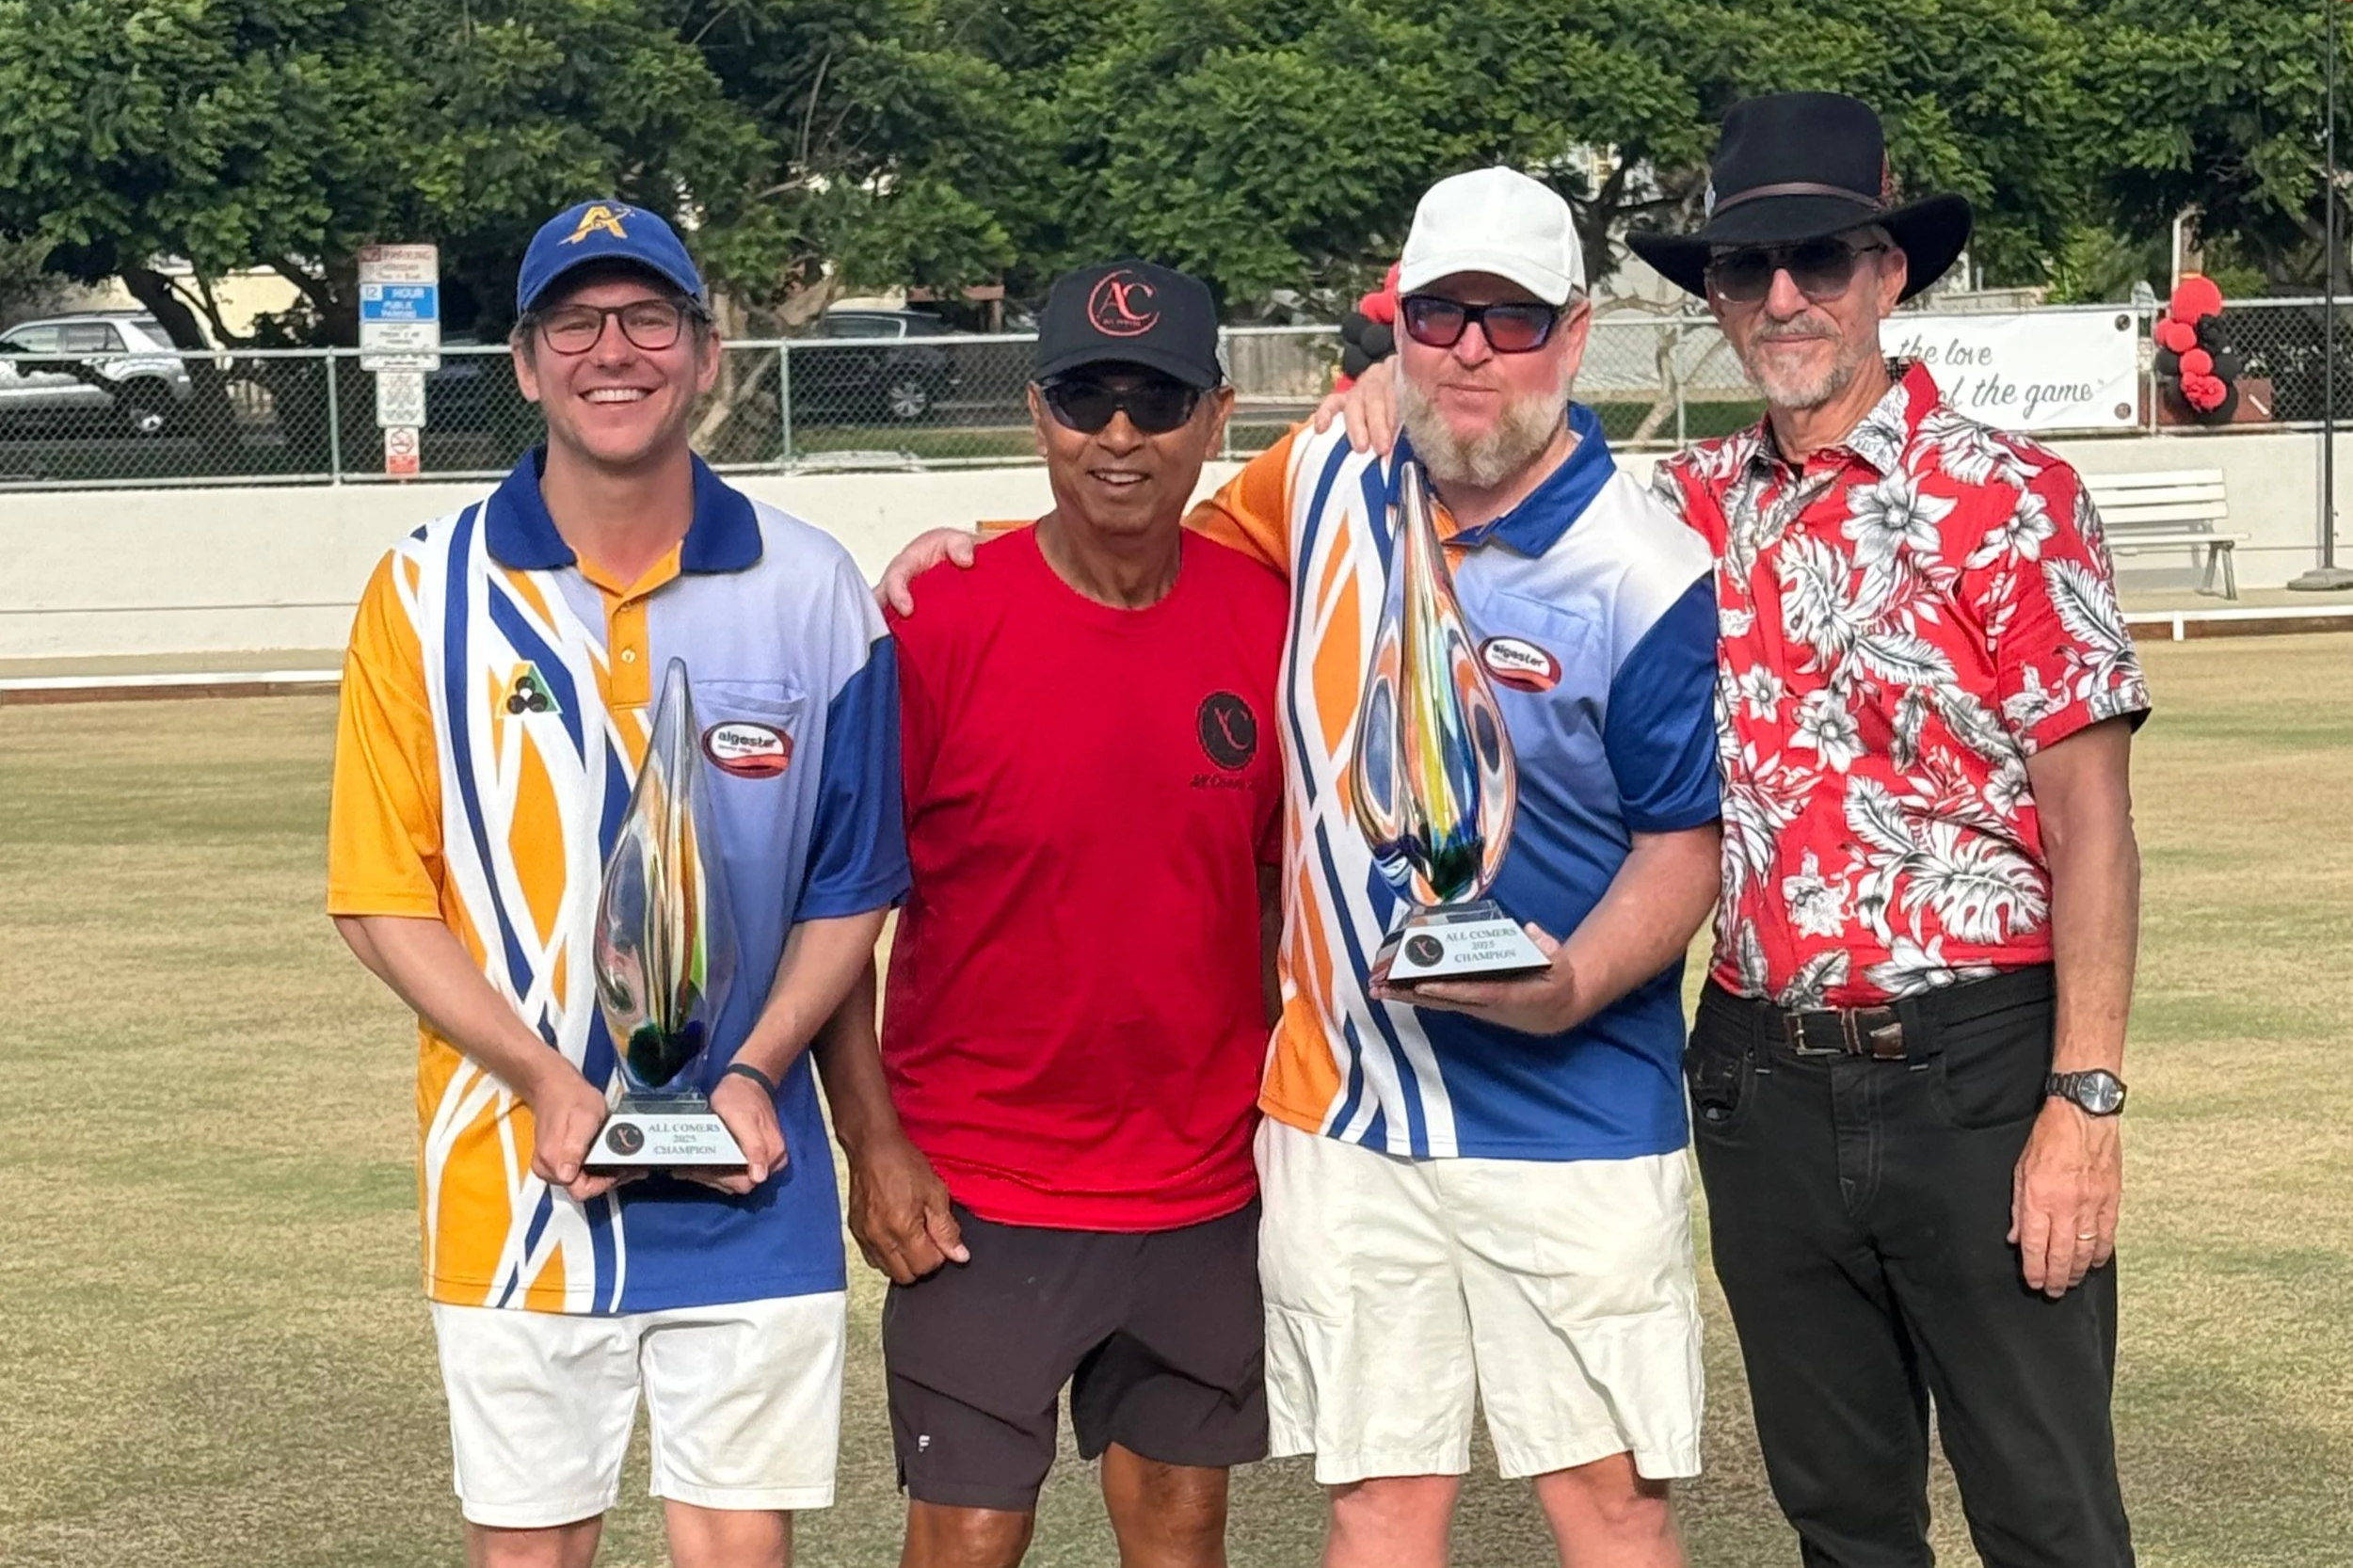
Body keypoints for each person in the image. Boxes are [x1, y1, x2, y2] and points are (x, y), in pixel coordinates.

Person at [1324, 92, 2149, 1568]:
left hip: (1973, 1062)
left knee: (2046, 1512)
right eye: (1745, 267)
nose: (1782, 297)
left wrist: (2083, 1103)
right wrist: (1381, 398)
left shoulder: (2011, 502)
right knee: (1840, 1516)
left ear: (1888, 273)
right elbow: (1496, 439)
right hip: (1761, 1079)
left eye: (1819, 259)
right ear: (1709, 294)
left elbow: (2092, 822)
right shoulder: (1682, 510)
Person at [882, 170, 1724, 1568]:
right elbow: (1129, 544)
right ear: (1396, 325)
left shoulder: (1643, 564)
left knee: (1611, 1503)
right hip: (1345, 1114)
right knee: (1381, 1505)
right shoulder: (1324, 474)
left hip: (1573, 1113)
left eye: (1508, 321)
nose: (1469, 350)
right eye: (1440, 314)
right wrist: (965, 551)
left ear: (1573, 339)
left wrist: (1570, 984)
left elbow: (1683, 844)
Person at [328, 199, 907, 1568]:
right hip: (515, 1178)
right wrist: (542, 1076)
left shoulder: (814, 589)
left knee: (736, 1545)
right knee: (530, 1550)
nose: (615, 350)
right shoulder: (424, 592)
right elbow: (377, 893)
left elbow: (852, 885)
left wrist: (758, 1069)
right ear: (526, 362)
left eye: (650, 317)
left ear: (704, 353)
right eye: (576, 322)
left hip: (751, 1183)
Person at [814, 260, 1287, 1568]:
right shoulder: (936, 619)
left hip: (1199, 1185)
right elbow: (840, 910)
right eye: (1087, 399)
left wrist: (1272, 1117)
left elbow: (1270, 894)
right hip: (981, 1184)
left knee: (1183, 1531)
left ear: (1214, 416)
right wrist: (877, 1143)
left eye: (1157, 399)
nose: (1119, 436)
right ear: (1037, 413)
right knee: (968, 1534)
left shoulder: (1267, 619)